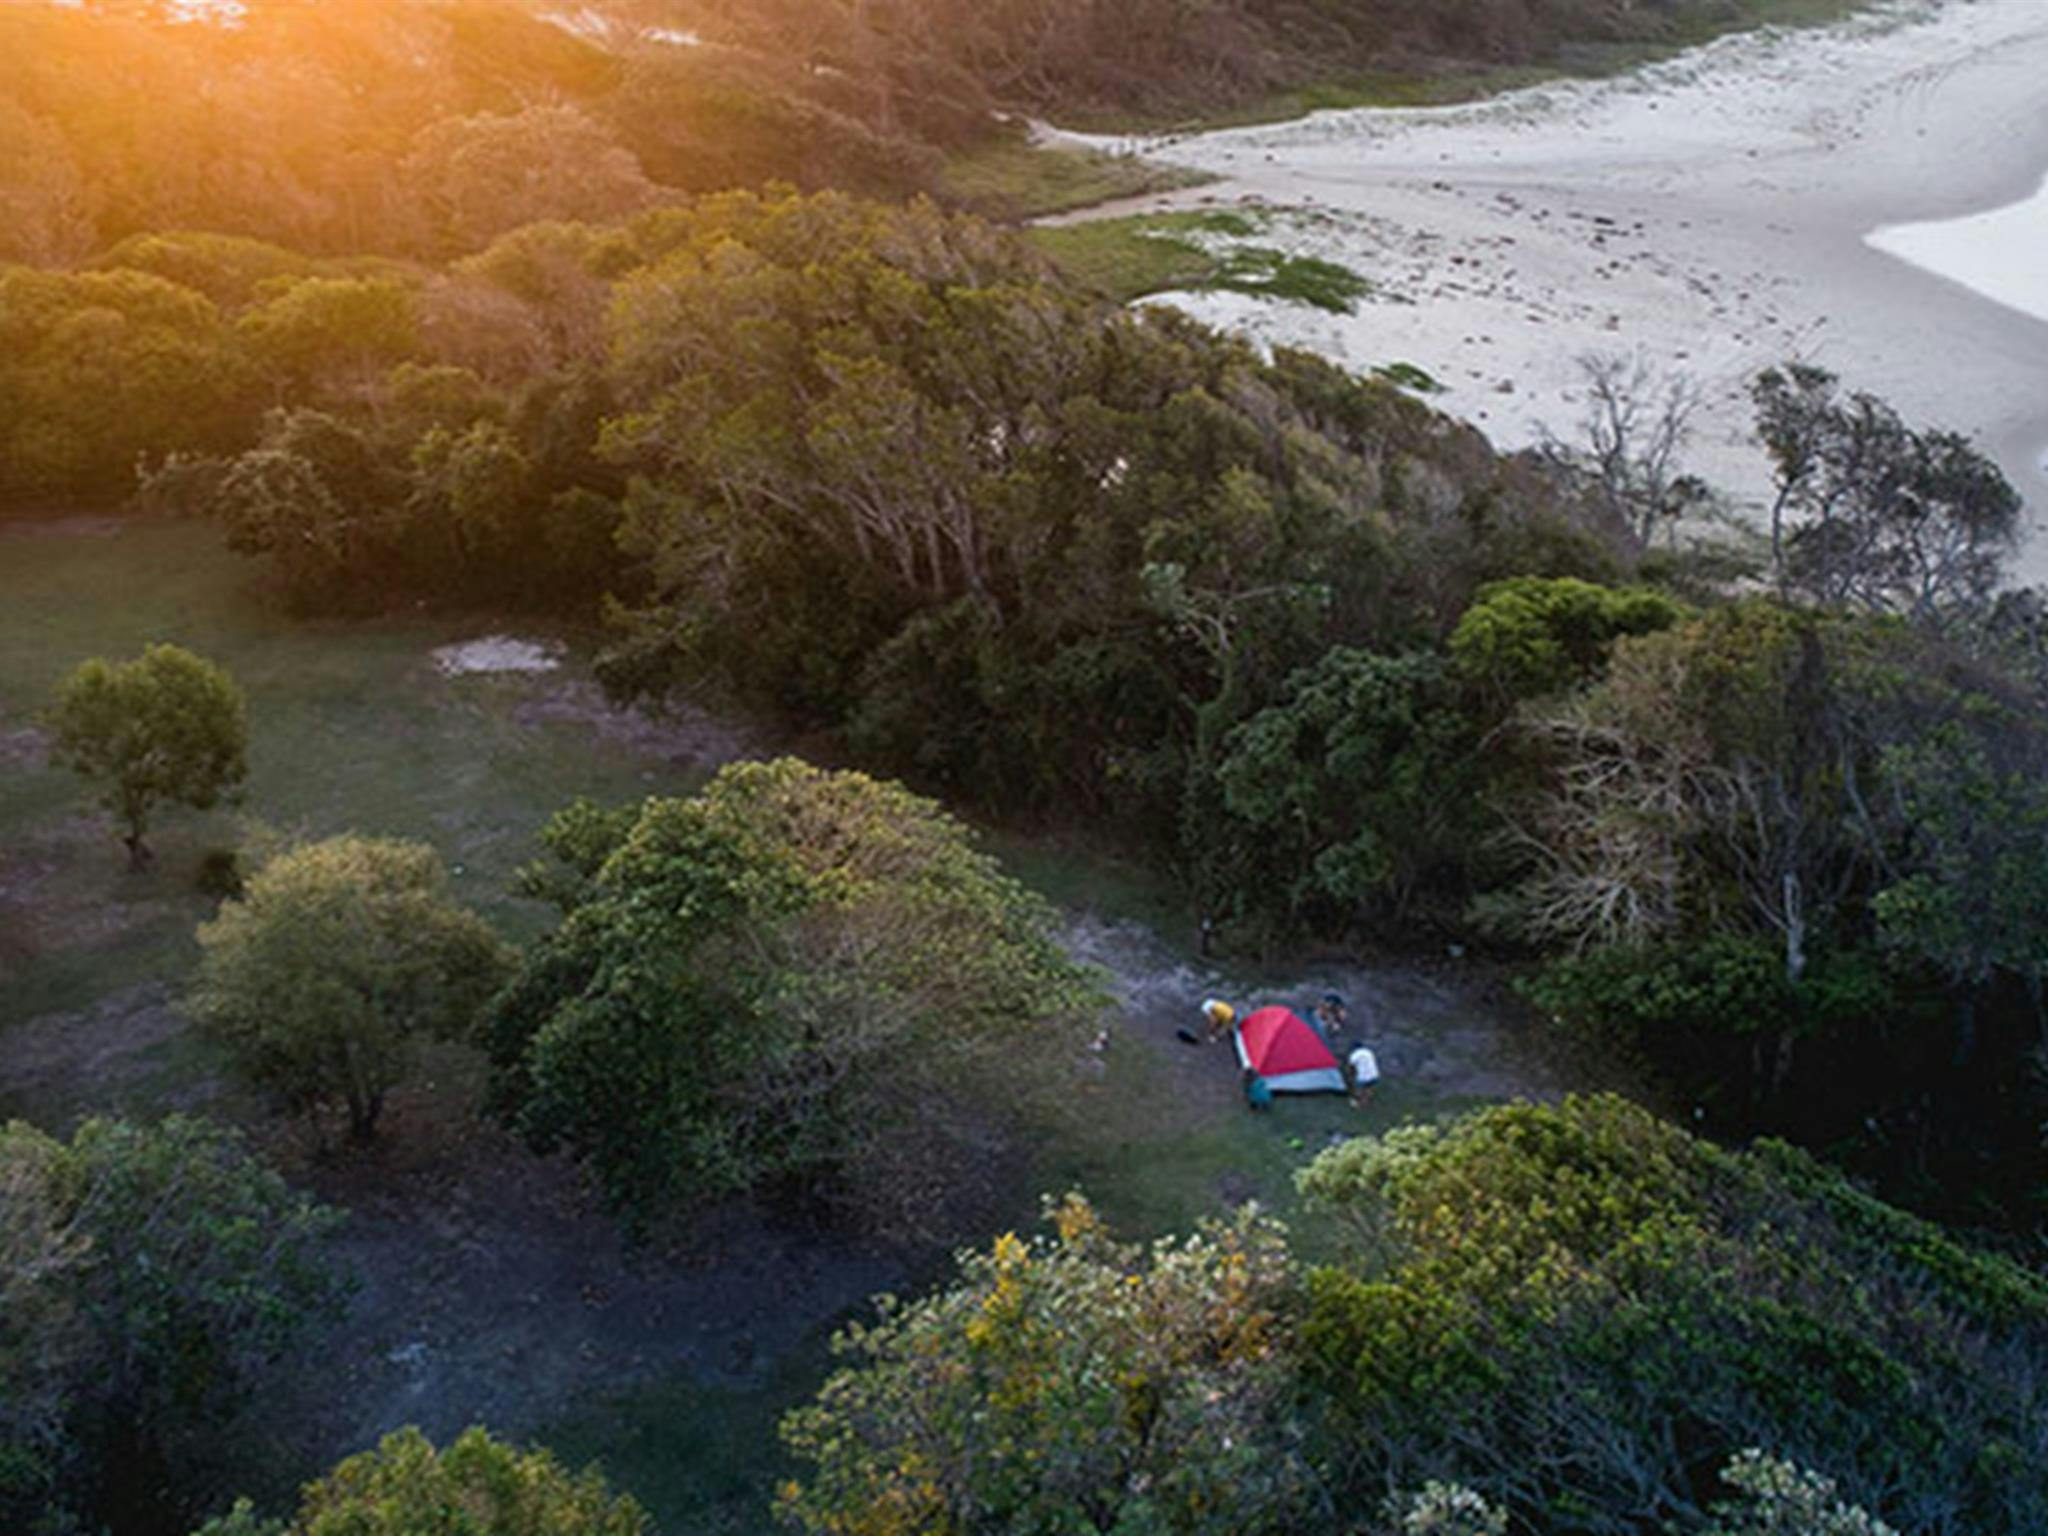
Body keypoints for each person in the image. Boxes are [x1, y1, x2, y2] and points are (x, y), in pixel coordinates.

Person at [1347, 1040, 1379, 1107]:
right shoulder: (1369, 1052)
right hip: (1374, 1075)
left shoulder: (1354, 1055)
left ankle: (1360, 1103)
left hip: (1363, 1077)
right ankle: (1367, 1098)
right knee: (1369, 1087)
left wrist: (1350, 1077)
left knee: (1358, 1089)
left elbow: (1351, 1068)